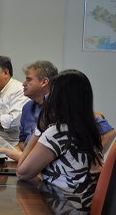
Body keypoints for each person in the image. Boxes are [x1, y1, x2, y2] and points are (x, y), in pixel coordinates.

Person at [0, 61, 115, 161]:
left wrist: (93, 159)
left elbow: (109, 132)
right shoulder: (28, 107)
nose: (23, 83)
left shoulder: (61, 105)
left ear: (44, 82)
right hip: (29, 164)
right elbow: (22, 143)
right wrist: (5, 154)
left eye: (28, 79)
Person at [17, 69, 103, 212]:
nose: (47, 98)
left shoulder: (58, 132)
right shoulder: (90, 128)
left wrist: (39, 129)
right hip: (81, 206)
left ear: (59, 98)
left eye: (51, 93)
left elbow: (22, 172)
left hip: (61, 207)